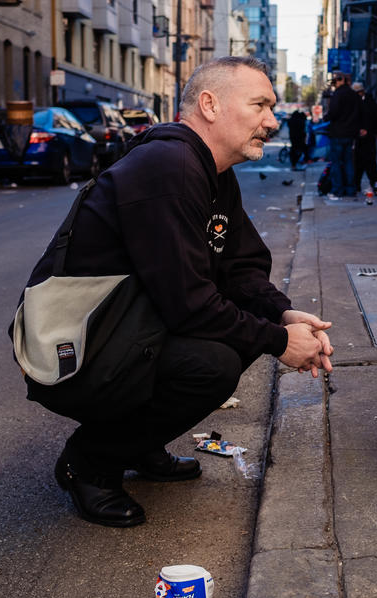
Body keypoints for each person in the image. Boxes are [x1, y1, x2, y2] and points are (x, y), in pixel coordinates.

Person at [32, 56, 334, 528]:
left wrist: (283, 316)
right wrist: (278, 343)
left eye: (271, 108)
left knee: (232, 342)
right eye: (259, 105)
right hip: (75, 347)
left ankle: (137, 442)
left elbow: (241, 266)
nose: (272, 121)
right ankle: (89, 461)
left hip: (130, 327)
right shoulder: (168, 167)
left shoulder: (212, 173)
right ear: (209, 105)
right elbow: (189, 303)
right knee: (212, 366)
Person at [321, 72, 360, 200]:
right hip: (350, 134)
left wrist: (326, 117)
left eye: (335, 81)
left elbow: (333, 113)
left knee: (336, 163)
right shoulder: (354, 95)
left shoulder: (337, 94)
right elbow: (359, 112)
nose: (334, 84)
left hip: (338, 133)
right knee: (349, 162)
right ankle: (350, 189)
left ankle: (338, 190)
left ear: (340, 81)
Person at [351, 82, 377, 194]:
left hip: (368, 138)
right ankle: (360, 184)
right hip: (362, 138)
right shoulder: (362, 103)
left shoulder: (368, 104)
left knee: (368, 163)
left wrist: (373, 132)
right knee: (360, 163)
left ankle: (373, 184)